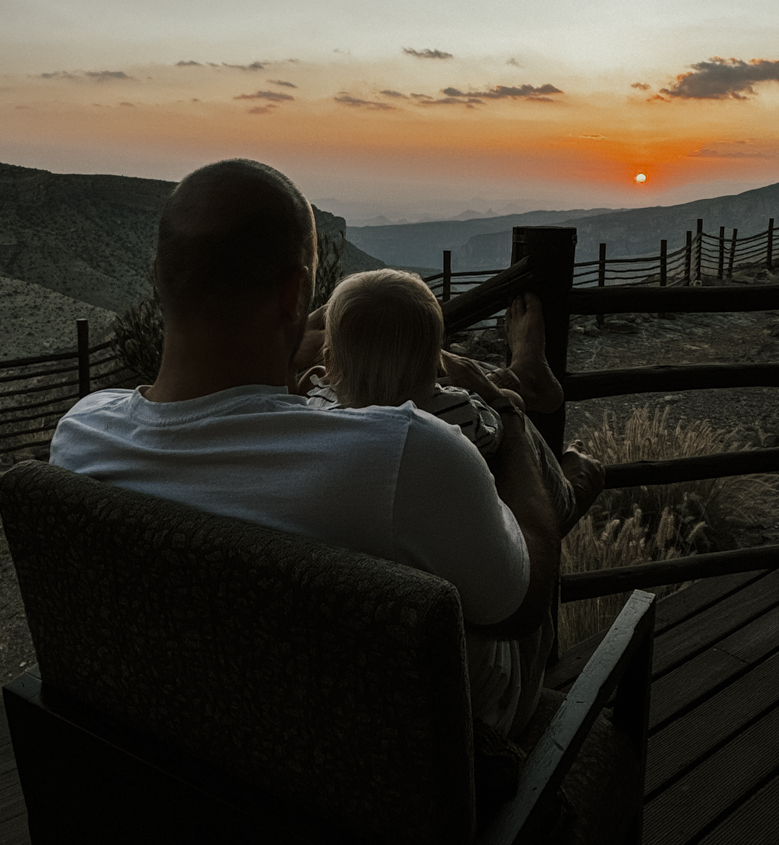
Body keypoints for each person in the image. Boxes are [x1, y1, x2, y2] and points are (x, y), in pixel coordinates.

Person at [50, 158, 604, 736]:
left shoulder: (82, 436)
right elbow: (521, 606)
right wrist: (510, 416)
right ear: (295, 293)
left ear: (157, 277)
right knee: (512, 468)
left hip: (195, 738)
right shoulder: (405, 453)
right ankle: (528, 403)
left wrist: (291, 353)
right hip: (435, 741)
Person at [302, 267, 592, 534]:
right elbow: (498, 428)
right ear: (438, 362)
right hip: (476, 532)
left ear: (328, 360)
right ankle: (575, 489)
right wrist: (497, 393)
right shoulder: (457, 413)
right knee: (511, 402)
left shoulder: (316, 406)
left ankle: (523, 376)